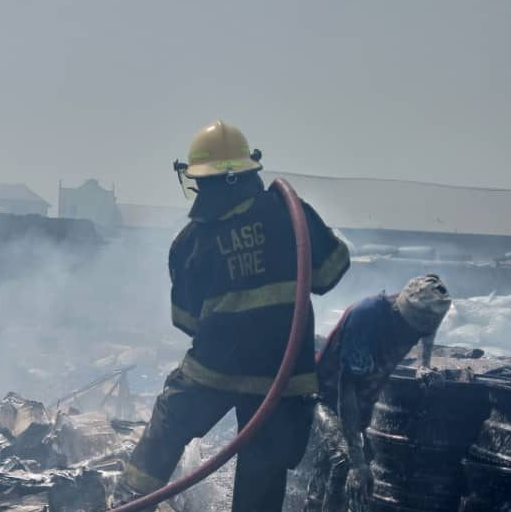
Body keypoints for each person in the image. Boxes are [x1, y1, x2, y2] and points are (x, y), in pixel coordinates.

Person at [119, 120, 350, 511]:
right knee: (262, 481)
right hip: (282, 379)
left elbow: (186, 321)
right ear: (247, 171)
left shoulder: (190, 241)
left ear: (202, 182)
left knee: (168, 426)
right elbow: (331, 272)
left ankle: (128, 501)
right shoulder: (289, 214)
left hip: (213, 372)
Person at [304, 274, 451, 512]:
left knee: (335, 469)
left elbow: (428, 330)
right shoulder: (367, 318)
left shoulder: (425, 311)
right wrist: (357, 461)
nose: (412, 338)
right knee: (345, 459)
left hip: (361, 404)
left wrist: (423, 363)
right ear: (401, 317)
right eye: (411, 332)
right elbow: (347, 390)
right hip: (324, 395)